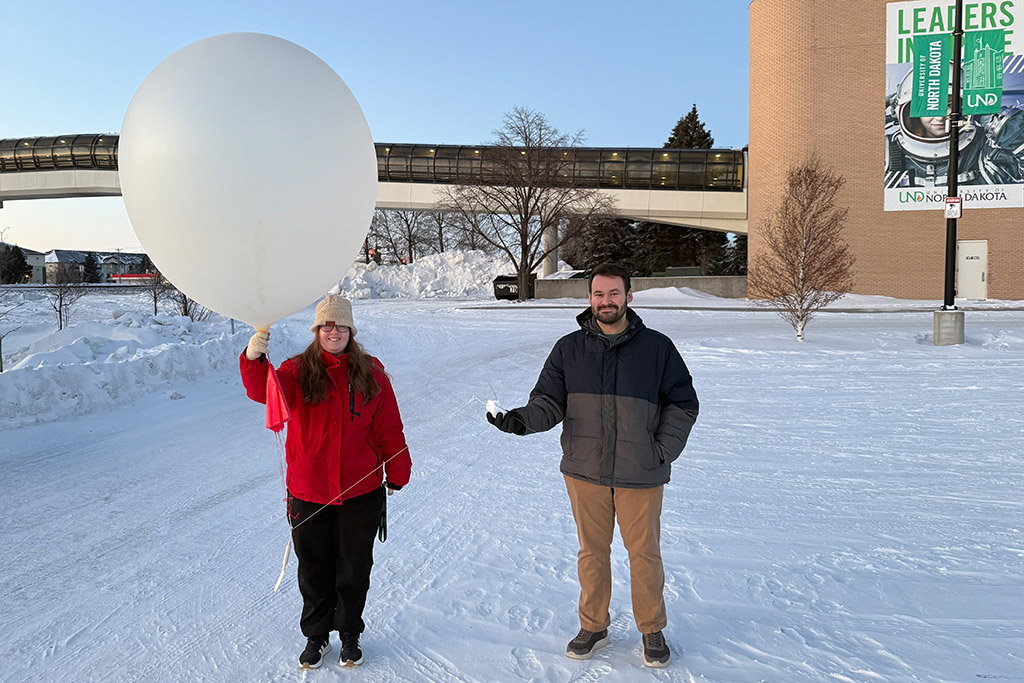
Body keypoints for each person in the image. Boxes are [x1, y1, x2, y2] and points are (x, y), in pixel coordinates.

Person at [486, 263, 699, 669]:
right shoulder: (569, 349)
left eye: (614, 294)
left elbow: (684, 403)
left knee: (645, 555)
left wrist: (662, 450)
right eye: (599, 294)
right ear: (589, 299)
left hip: (641, 472)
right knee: (592, 553)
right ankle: (594, 625)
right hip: (585, 471)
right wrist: (520, 420)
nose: (606, 301)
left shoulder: (657, 348)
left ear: (629, 297)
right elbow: (548, 403)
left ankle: (651, 629)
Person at [240, 295, 411, 670]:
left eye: (341, 325)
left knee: (353, 569)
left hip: (360, 490)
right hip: (308, 491)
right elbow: (263, 392)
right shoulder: (296, 371)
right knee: (314, 569)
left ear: (351, 330)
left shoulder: (372, 374)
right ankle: (316, 637)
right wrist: (254, 360)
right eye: (326, 326)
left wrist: (398, 472)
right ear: (316, 331)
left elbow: (389, 428)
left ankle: (350, 633)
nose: (334, 331)